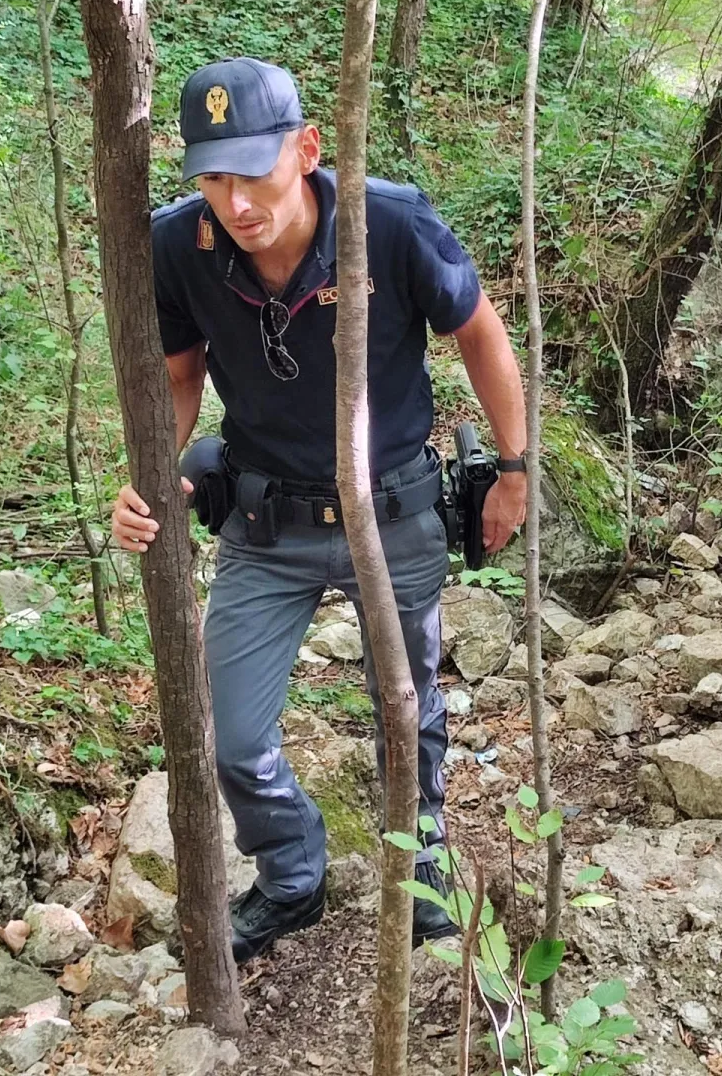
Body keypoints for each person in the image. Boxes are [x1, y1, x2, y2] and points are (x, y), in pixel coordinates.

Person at [110, 58, 528, 962]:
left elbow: (481, 334)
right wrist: (149, 476)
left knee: (405, 711)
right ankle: (294, 876)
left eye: (254, 171)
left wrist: (515, 468)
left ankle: (421, 872)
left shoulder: (389, 223)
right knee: (235, 735)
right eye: (213, 177)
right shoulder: (181, 247)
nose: (236, 200)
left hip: (394, 511)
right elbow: (179, 378)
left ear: (305, 150)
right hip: (265, 522)